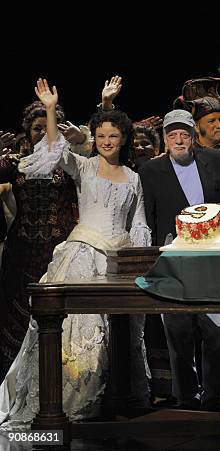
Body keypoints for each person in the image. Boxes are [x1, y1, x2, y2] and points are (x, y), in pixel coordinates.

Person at [0, 79, 151, 430]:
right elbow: (54, 149)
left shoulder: (133, 177)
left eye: (113, 136)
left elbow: (139, 223)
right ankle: (69, 402)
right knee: (78, 334)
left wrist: (136, 258)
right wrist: (51, 109)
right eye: (101, 137)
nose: (107, 142)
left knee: (119, 335)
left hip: (117, 262)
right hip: (82, 256)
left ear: (123, 139)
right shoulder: (83, 167)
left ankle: (114, 397)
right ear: (94, 139)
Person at [139, 109, 220, 413]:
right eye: (172, 135)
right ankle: (186, 399)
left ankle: (214, 397)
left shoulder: (216, 161)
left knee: (216, 333)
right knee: (179, 334)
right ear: (165, 140)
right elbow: (150, 219)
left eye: (184, 134)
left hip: (214, 260)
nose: (179, 141)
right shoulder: (150, 171)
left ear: (194, 136)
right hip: (174, 261)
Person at [0, 101, 79, 380]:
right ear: (27, 132)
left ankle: (56, 376)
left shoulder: (69, 163)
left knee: (55, 317)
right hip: (22, 252)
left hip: (57, 251)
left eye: (49, 128)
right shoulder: (16, 163)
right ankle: (16, 380)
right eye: (37, 129)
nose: (43, 133)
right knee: (16, 315)